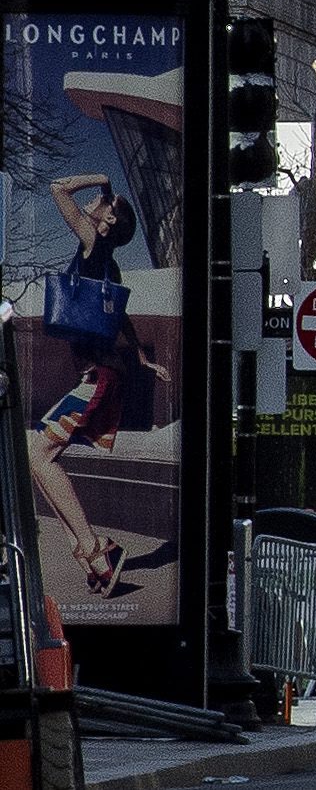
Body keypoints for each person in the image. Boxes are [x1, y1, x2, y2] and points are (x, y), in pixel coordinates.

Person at [29, 175, 165, 600]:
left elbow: (57, 188)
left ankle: (94, 547)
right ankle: (86, 551)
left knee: (38, 452)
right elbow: (119, 312)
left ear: (108, 217)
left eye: (103, 200)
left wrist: (102, 180)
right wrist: (142, 358)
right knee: (37, 456)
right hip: (103, 372)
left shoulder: (92, 239)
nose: (93, 202)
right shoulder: (105, 260)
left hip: (99, 375)